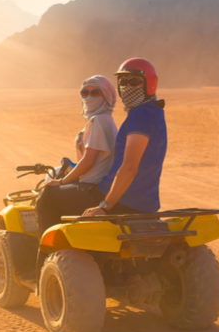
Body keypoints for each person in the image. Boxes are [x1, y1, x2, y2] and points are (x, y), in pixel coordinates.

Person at [35, 58, 167, 236]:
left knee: (48, 196)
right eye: (123, 82)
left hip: (120, 199)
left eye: (134, 81)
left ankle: (47, 258)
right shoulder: (154, 111)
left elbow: (129, 167)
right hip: (146, 201)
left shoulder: (141, 114)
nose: (128, 87)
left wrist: (105, 206)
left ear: (149, 84)